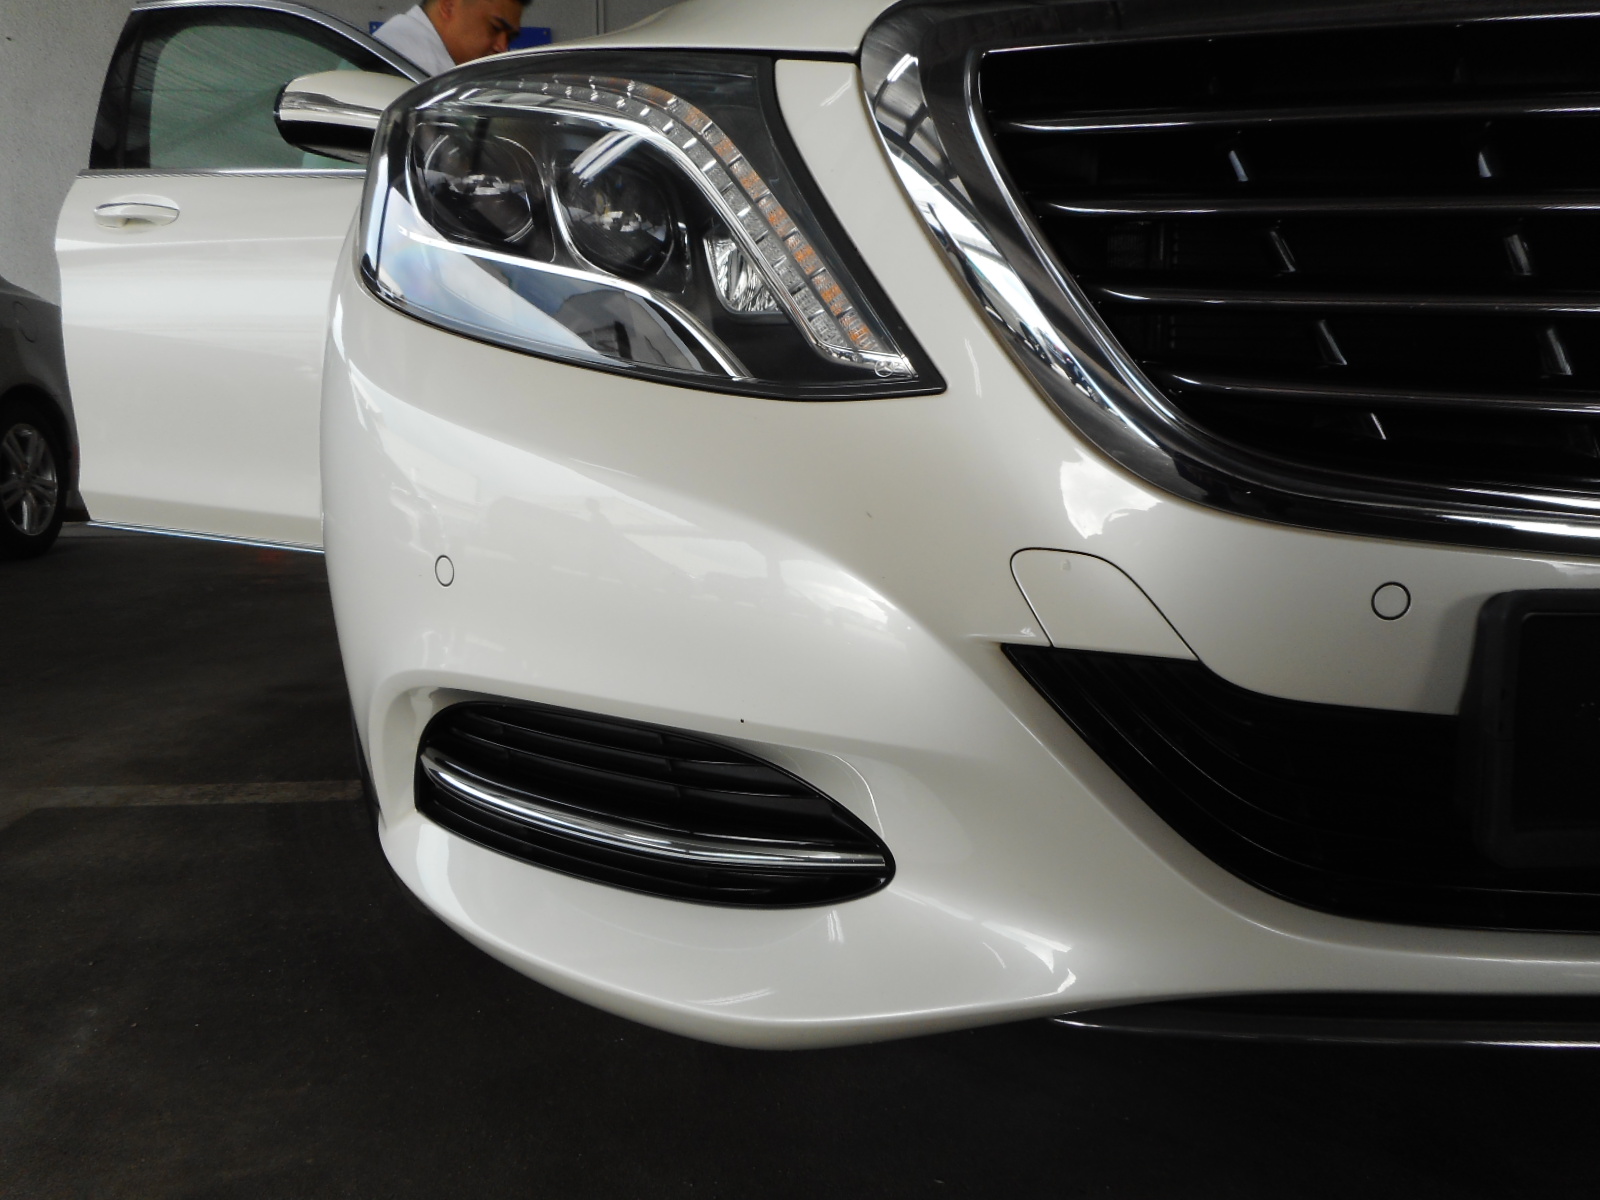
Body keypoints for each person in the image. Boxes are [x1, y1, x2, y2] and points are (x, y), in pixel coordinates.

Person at [374, 0, 529, 77]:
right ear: (448, 6)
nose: (502, 47)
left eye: (510, 37)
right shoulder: (413, 64)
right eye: (495, 28)